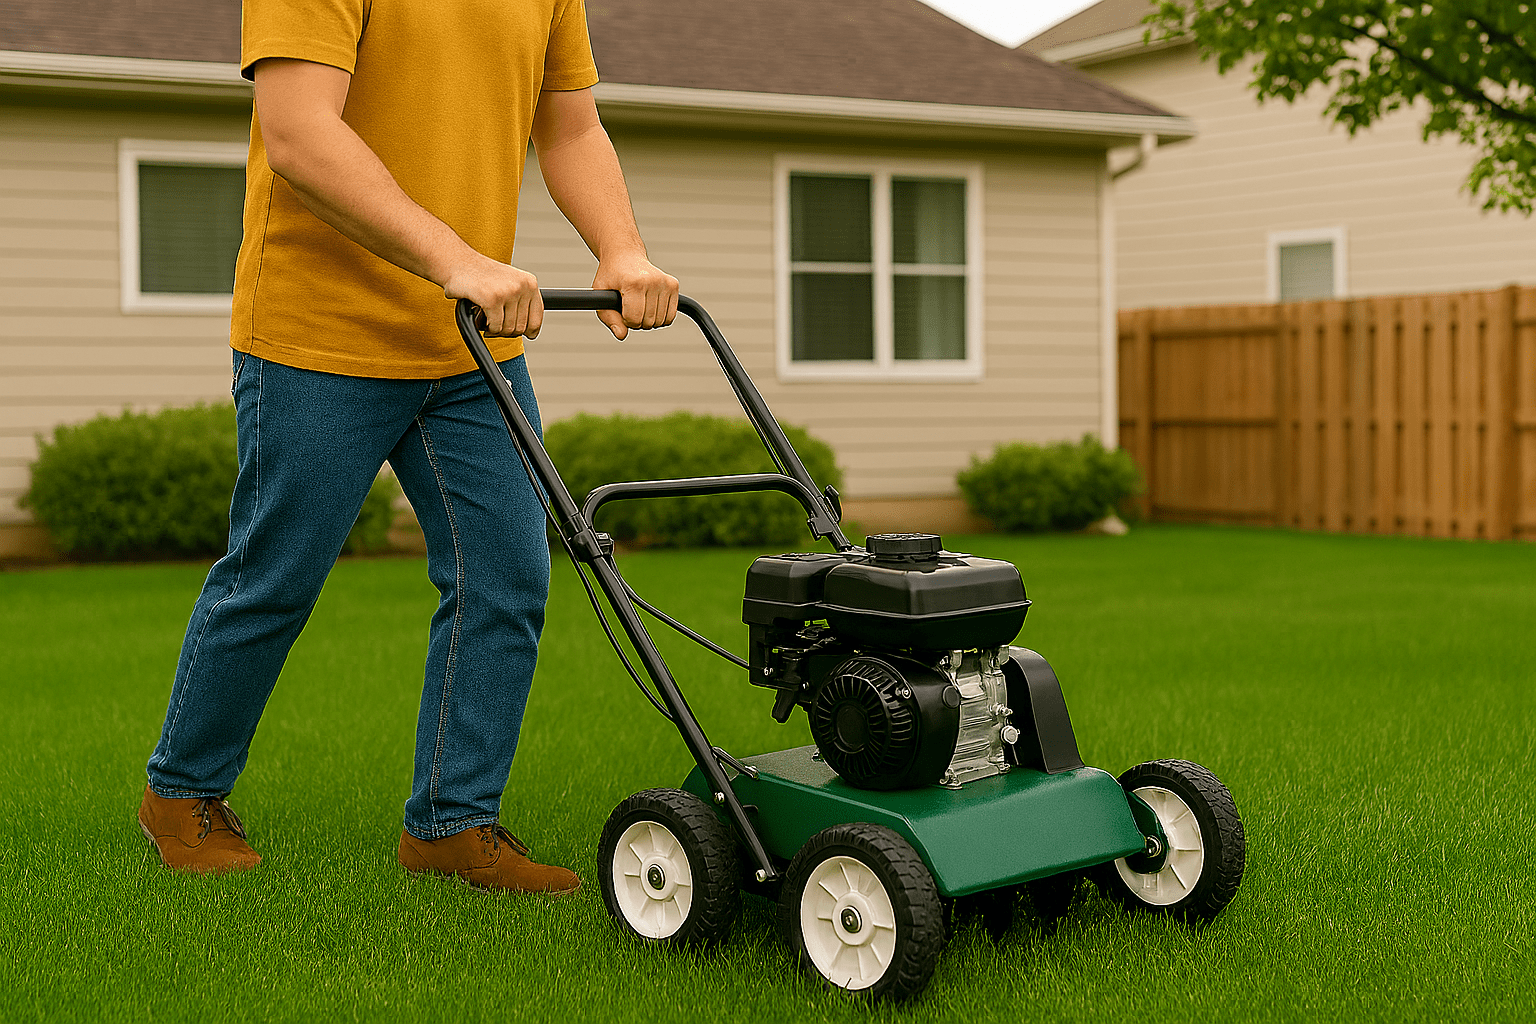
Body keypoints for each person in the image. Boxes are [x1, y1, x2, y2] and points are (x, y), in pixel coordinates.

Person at [136, 0, 678, 894]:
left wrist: (621, 249)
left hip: (471, 348)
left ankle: (451, 825)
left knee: (506, 575)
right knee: (276, 576)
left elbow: (571, 127)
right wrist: (456, 258)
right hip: (319, 337)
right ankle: (182, 793)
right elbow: (299, 133)